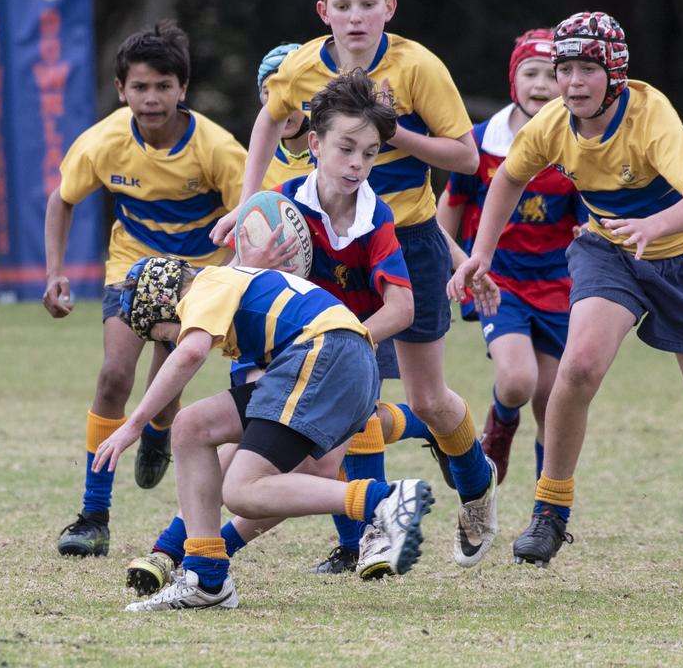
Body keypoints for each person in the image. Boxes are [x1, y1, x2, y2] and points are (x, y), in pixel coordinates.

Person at [449, 11, 683, 588]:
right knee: (579, 366)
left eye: (587, 68)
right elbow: (509, 178)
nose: (573, 82)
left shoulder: (648, 112)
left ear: (614, 73)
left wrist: (654, 226)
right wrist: (480, 253)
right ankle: (551, 511)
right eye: (565, 68)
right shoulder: (554, 124)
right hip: (609, 253)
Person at [211, 0, 497, 568]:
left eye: (368, 3)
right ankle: (361, 540)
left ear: (389, 7)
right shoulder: (302, 67)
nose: (356, 17)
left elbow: (467, 156)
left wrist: (393, 133)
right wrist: (247, 201)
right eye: (343, 5)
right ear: (324, 13)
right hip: (325, 239)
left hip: (409, 238)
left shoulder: (418, 67)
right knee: (350, 394)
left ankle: (476, 481)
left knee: (426, 398)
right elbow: (265, 118)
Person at [125, 70, 448, 593]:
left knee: (251, 480)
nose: (357, 164)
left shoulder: (375, 216)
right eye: (347, 148)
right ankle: (186, 557)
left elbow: (402, 307)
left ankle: (374, 509)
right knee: (213, 441)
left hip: (330, 352)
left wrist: (348, 338)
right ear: (314, 144)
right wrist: (252, 263)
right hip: (286, 353)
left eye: (369, 153)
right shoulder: (277, 206)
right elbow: (238, 286)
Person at [93, 255, 435, 611]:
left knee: (241, 490)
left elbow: (191, 352)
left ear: (165, 307)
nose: (169, 345)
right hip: (346, 360)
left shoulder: (205, 287)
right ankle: (206, 578)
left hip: (325, 352)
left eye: (162, 337)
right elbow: (311, 459)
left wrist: (133, 425)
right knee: (192, 426)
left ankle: (384, 501)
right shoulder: (238, 292)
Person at [43, 20, 246, 558]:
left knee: (165, 390)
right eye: (140, 87)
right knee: (113, 376)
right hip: (132, 268)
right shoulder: (106, 141)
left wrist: (221, 278)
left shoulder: (217, 149)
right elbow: (62, 199)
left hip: (199, 277)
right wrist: (55, 271)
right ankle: (93, 516)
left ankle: (158, 429)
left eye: (163, 86)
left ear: (182, 89)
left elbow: (253, 215)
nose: (151, 98)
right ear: (121, 91)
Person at [437, 28, 582, 487]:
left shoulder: (577, 146)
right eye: (530, 72)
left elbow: (586, 221)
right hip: (499, 283)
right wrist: (458, 261)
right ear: (513, 81)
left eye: (550, 74)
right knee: (518, 380)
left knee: (551, 398)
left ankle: (548, 504)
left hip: (560, 286)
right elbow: (445, 216)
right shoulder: (482, 143)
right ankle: (500, 424)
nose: (540, 84)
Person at [256, 42, 316, 189]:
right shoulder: (255, 161)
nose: (280, 103)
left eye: (290, 92)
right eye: (267, 92)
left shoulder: (339, 155)